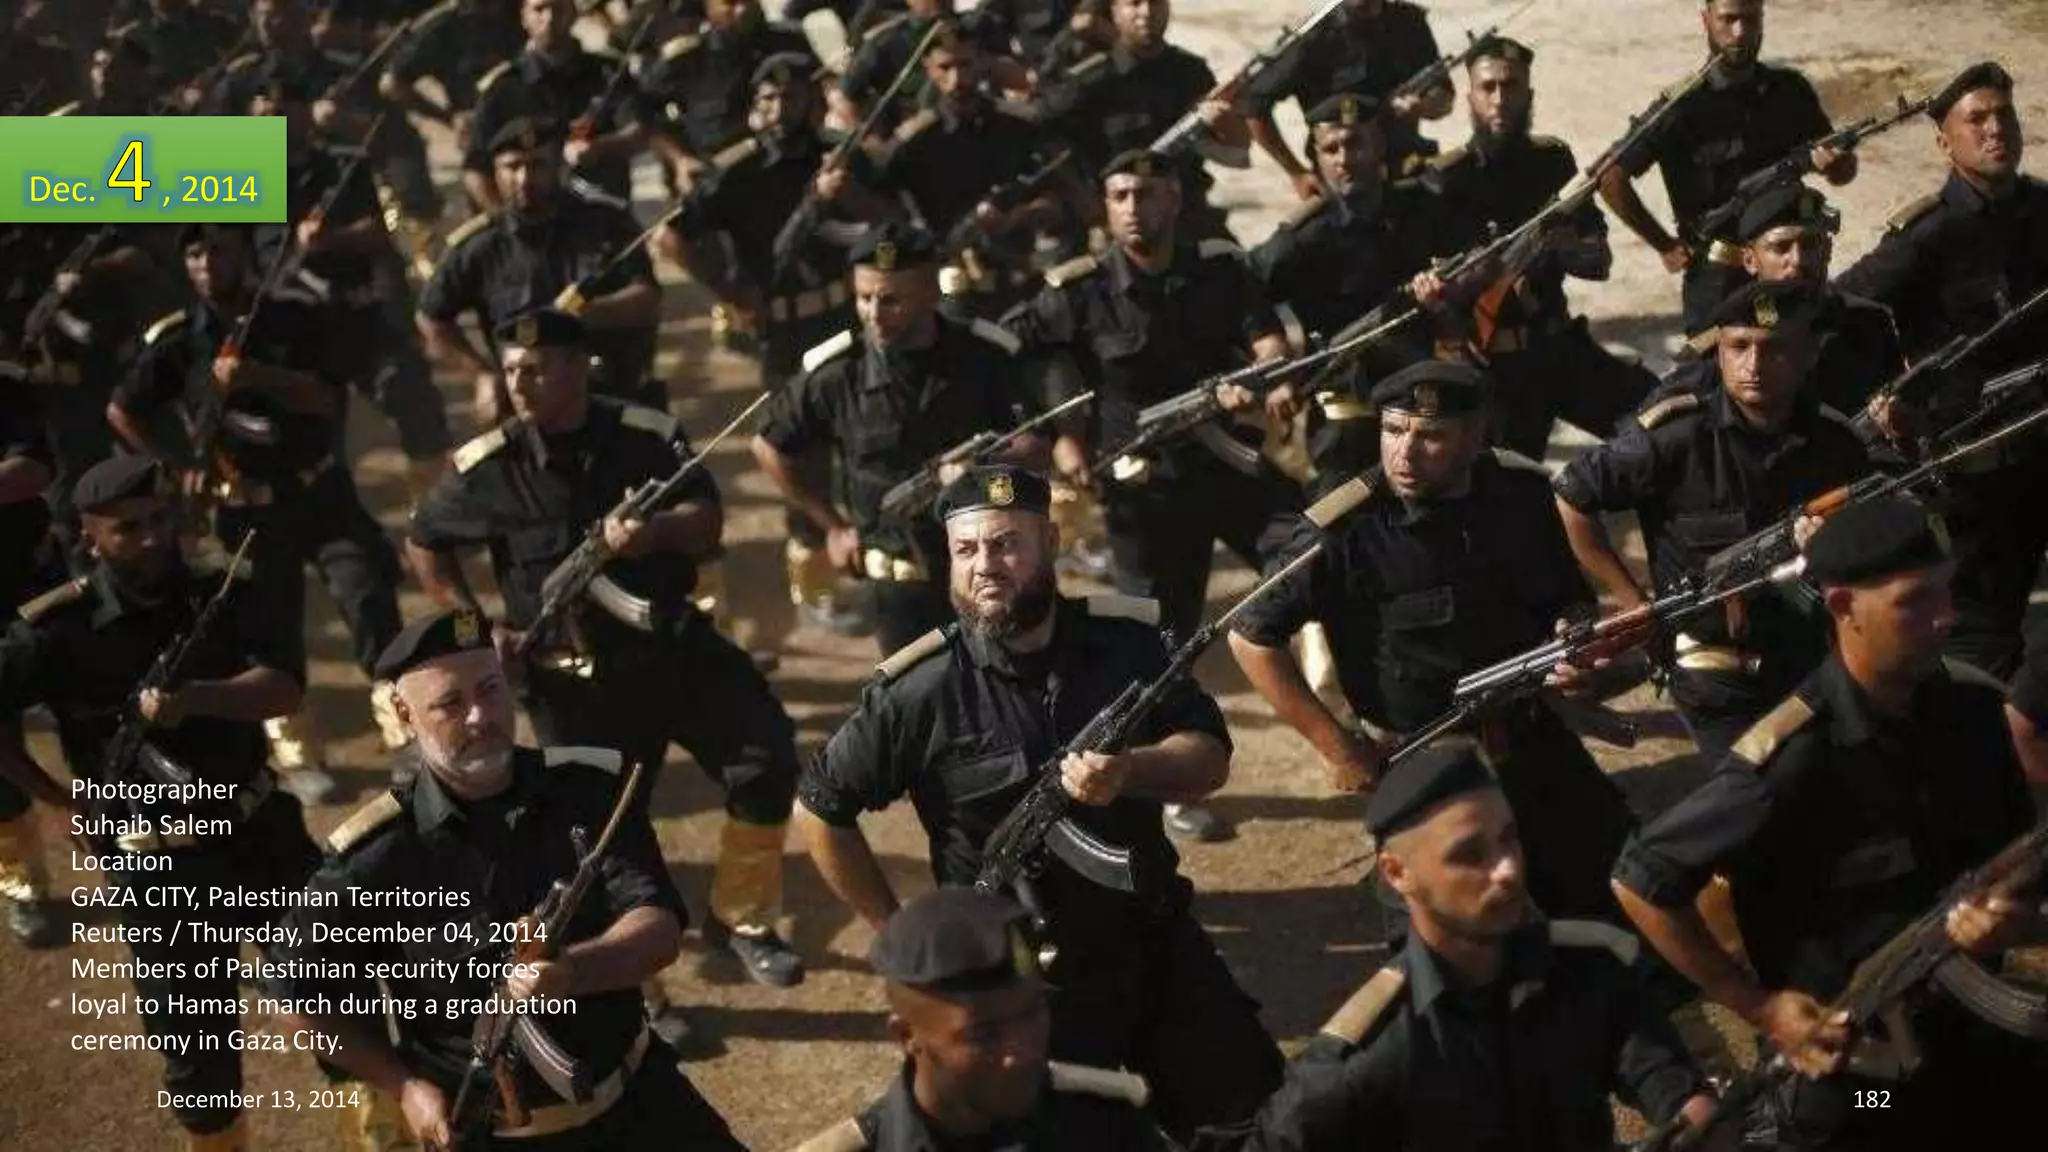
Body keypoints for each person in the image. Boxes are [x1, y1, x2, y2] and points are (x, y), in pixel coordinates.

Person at [796, 465, 1285, 1144]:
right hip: (1019, 989)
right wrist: (895, 931)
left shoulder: (1127, 644)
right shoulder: (920, 691)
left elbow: (1209, 757)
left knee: (1255, 1122)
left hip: (1151, 943)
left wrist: (1132, 770)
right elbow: (820, 808)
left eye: (1006, 545)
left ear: (1051, 541)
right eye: (967, 551)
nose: (986, 567)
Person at [1611, 493, 2048, 1150]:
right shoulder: (1790, 759)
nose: (1944, 618)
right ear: (1845, 608)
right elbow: (1640, 879)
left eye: (1946, 594)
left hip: (1970, 1040)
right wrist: (1756, 1006)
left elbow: (2022, 861)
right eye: (1915, 601)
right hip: (1855, 1071)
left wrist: (2017, 922)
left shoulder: (1976, 716)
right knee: (1868, 1120)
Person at [405, 307, 809, 990]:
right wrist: (478, 625)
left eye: (535, 369)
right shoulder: (488, 467)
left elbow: (706, 520)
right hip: (572, 682)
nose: (520, 383)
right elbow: (425, 543)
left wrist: (651, 536)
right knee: (596, 834)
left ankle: (741, 917)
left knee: (766, 757)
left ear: (578, 367)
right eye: (509, 371)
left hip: (672, 648)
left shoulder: (644, 436)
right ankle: (632, 985)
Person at [268, 608, 744, 1151]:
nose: (480, 716)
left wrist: (570, 973)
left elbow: (656, 926)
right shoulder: (375, 858)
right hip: (493, 1133)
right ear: (403, 712)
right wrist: (402, 1085)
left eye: (490, 689)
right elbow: (294, 996)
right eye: (450, 703)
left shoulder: (587, 791)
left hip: (639, 1104)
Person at [1229, 361, 1640, 932]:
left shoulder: (1520, 493)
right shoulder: (1344, 528)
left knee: (1624, 894)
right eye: (1393, 431)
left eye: (1430, 436)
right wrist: (1337, 746)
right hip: (1425, 761)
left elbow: (1566, 599)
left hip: (1529, 735)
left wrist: (1572, 648)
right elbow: (1250, 638)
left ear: (1476, 436)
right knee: (1449, 941)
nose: (1405, 452)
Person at [0, 454, 322, 1152]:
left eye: (157, 520)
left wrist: (198, 701)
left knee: (336, 996)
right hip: (158, 870)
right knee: (197, 1053)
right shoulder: (55, 630)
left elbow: (285, 687)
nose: (150, 538)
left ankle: (381, 1137)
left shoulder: (222, 589)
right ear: (89, 536)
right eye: (127, 529)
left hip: (259, 832)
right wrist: (55, 802)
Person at [1198, 741, 1723, 1152]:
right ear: (1397, 873)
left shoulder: (1584, 967)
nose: (1509, 869)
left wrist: (1693, 1115)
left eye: (1510, 838)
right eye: (1470, 854)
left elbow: (1663, 1077)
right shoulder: (1363, 1060)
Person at [1003, 149, 1305, 841]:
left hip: (1229, 466)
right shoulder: (1079, 289)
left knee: (1312, 544)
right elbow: (1029, 351)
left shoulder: (1219, 266)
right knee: (1152, 639)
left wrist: (1256, 376)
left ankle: (1336, 687)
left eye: (1146, 193)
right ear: (1105, 207)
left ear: (1174, 200)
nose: (1132, 207)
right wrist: (1067, 434)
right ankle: (1165, 777)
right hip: (1146, 491)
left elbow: (1267, 337)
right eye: (1118, 195)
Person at [109, 222, 410, 801]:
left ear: (246, 253)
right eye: (193, 252)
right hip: (247, 514)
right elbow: (123, 410)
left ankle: (404, 738)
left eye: (217, 248)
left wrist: (257, 377)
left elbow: (326, 398)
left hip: (321, 496)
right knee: (271, 637)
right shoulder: (178, 339)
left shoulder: (293, 318)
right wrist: (172, 466)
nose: (206, 263)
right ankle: (298, 753)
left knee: (369, 598)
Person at [1553, 281, 1876, 766]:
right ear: (1719, 353)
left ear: (1810, 354)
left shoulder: (1835, 443)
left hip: (1814, 651)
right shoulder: (1676, 437)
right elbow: (1571, 498)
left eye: (1774, 349)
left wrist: (1832, 549)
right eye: (1738, 347)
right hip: (1714, 667)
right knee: (1759, 787)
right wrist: (1633, 604)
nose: (1754, 365)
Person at [661, 51, 889, 639]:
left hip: (846, 315)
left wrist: (850, 198)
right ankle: (812, 573)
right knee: (800, 448)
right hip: (784, 333)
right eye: (767, 99)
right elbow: (674, 235)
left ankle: (870, 561)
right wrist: (731, 289)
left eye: (791, 97)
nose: (780, 109)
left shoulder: (841, 155)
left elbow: (898, 223)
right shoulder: (737, 170)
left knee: (864, 435)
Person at [1833, 61, 2048, 680]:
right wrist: (1886, 401)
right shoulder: (1928, 235)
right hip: (1975, 471)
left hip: (2041, 445)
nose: (1995, 130)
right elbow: (1843, 317)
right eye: (1975, 119)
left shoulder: (2041, 211)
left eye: (2004, 115)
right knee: (1984, 635)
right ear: (1943, 141)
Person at [751, 224, 1046, 655]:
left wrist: (980, 471)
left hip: (990, 570)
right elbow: (768, 446)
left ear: (929, 292)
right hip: (899, 584)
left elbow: (1037, 445)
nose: (873, 313)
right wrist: (833, 527)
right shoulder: (838, 373)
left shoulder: (983, 355)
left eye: (889, 299)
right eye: (864, 298)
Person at [1413, 34, 1659, 461]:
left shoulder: (1553, 163)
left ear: (1529, 93)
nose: (1500, 99)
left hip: (1558, 349)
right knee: (1506, 487)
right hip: (1493, 369)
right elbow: (1425, 290)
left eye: (1511, 86)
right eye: (1488, 88)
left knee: (1658, 421)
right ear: (1470, 96)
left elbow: (1598, 261)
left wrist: (1554, 243)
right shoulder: (1445, 180)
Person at [792, 887, 1177, 1150]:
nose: (1022, 1052)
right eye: (983, 1034)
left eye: (1031, 1014)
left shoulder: (1104, 1121)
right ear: (907, 1035)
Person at [252, 67, 454, 503]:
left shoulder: (342, 167)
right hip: (288, 334)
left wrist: (330, 240)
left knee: (412, 394)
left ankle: (436, 513)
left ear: (307, 116)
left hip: (353, 317)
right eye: (266, 114)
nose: (276, 123)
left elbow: (379, 233)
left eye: (285, 113)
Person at [1597, 0, 1855, 335]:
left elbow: (1843, 173)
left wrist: (1836, 165)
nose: (1740, 32)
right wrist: (1665, 246)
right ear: (1706, 21)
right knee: (1713, 374)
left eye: (1750, 20)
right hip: (1719, 277)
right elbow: (1610, 178)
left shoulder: (1790, 91)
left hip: (1788, 267)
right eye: (1728, 20)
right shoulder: (1680, 108)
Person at [1249, 91, 1446, 491]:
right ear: (1317, 157)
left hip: (1419, 389)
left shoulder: (1422, 209)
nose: (1343, 158)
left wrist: (1446, 299)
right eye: (1331, 148)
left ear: (1379, 146)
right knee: (1338, 515)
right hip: (1344, 399)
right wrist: (1274, 367)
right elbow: (1244, 297)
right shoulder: (1301, 240)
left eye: (1355, 143)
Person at [418, 116, 664, 422]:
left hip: (606, 390)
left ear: (558, 167)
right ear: (495, 173)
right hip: (525, 402)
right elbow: (431, 318)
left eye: (537, 165)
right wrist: (481, 374)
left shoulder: (606, 223)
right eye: (513, 167)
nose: (524, 178)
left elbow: (647, 300)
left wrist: (589, 314)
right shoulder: (479, 246)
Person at [1665, 181, 1906, 418]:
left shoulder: (1869, 324)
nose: (1798, 260)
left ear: (1828, 250)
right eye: (1780, 248)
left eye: (1810, 245)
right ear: (1750, 260)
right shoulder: (1728, 343)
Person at [1030, 0, 1252, 241]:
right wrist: (1086, 204)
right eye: (1134, 3)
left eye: (1155, 3)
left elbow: (1235, 151)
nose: (1146, 13)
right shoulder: (1091, 81)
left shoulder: (1190, 73)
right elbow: (1044, 136)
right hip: (1117, 220)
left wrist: (1225, 117)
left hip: (1185, 215)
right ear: (1113, 12)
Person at [1242, 0, 1452, 198]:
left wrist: (1423, 106)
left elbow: (1444, 96)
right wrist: (1296, 172)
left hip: (1404, 164)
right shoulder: (1311, 38)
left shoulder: (1408, 23)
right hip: (1343, 178)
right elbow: (1254, 106)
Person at [464, 0, 646, 209]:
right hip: (533, 224)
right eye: (540, 9)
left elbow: (639, 133)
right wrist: (502, 225)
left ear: (574, 13)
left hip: (602, 216)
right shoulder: (503, 88)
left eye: (558, 8)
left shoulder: (608, 73)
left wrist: (600, 148)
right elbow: (475, 169)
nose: (550, 18)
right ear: (524, 17)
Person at [0, 371, 58, 945]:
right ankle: (26, 886)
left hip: (32, 587)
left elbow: (35, 468)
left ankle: (145, 849)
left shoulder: (8, 390)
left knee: (99, 717)